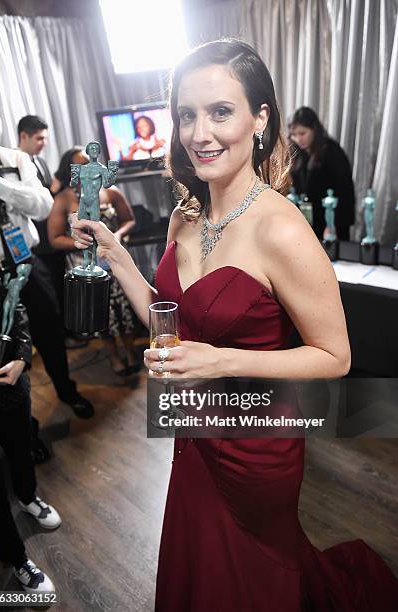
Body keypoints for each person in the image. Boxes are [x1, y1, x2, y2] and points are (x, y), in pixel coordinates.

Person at [71, 40, 398, 611]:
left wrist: (218, 360)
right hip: (194, 427)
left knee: (254, 574)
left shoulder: (282, 229)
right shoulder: (185, 214)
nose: (200, 133)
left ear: (259, 119)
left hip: (256, 442)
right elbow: (169, 315)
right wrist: (117, 257)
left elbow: (335, 356)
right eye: (187, 115)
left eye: (220, 111)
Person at [0, 98, 94, 428]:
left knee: (51, 332)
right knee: (4, 349)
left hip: (27, 261)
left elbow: (40, 206)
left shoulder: (17, 159)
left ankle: (66, 391)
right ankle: (24, 424)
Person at [0, 266, 60, 594]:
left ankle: (28, 496)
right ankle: (15, 558)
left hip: (5, 379)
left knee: (20, 446)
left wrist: (21, 355)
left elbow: (13, 303)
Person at [49, 147, 140, 376]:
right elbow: (54, 239)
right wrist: (83, 243)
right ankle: (114, 357)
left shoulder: (110, 192)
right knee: (102, 313)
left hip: (116, 263)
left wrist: (118, 235)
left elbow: (129, 220)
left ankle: (130, 352)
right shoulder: (64, 199)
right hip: (87, 267)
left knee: (125, 311)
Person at [17, 115, 66, 311]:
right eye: (39, 139)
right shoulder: (13, 165)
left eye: (45, 138)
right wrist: (54, 190)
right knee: (46, 295)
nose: (43, 143)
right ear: (23, 136)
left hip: (52, 236)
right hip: (35, 241)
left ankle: (67, 333)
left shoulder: (41, 162)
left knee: (58, 285)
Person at [289, 106, 355, 240]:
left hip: (331, 222)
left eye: (302, 133)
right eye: (294, 135)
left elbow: (345, 193)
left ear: (314, 129)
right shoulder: (297, 153)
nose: (298, 139)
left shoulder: (332, 152)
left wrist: (333, 225)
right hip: (307, 224)